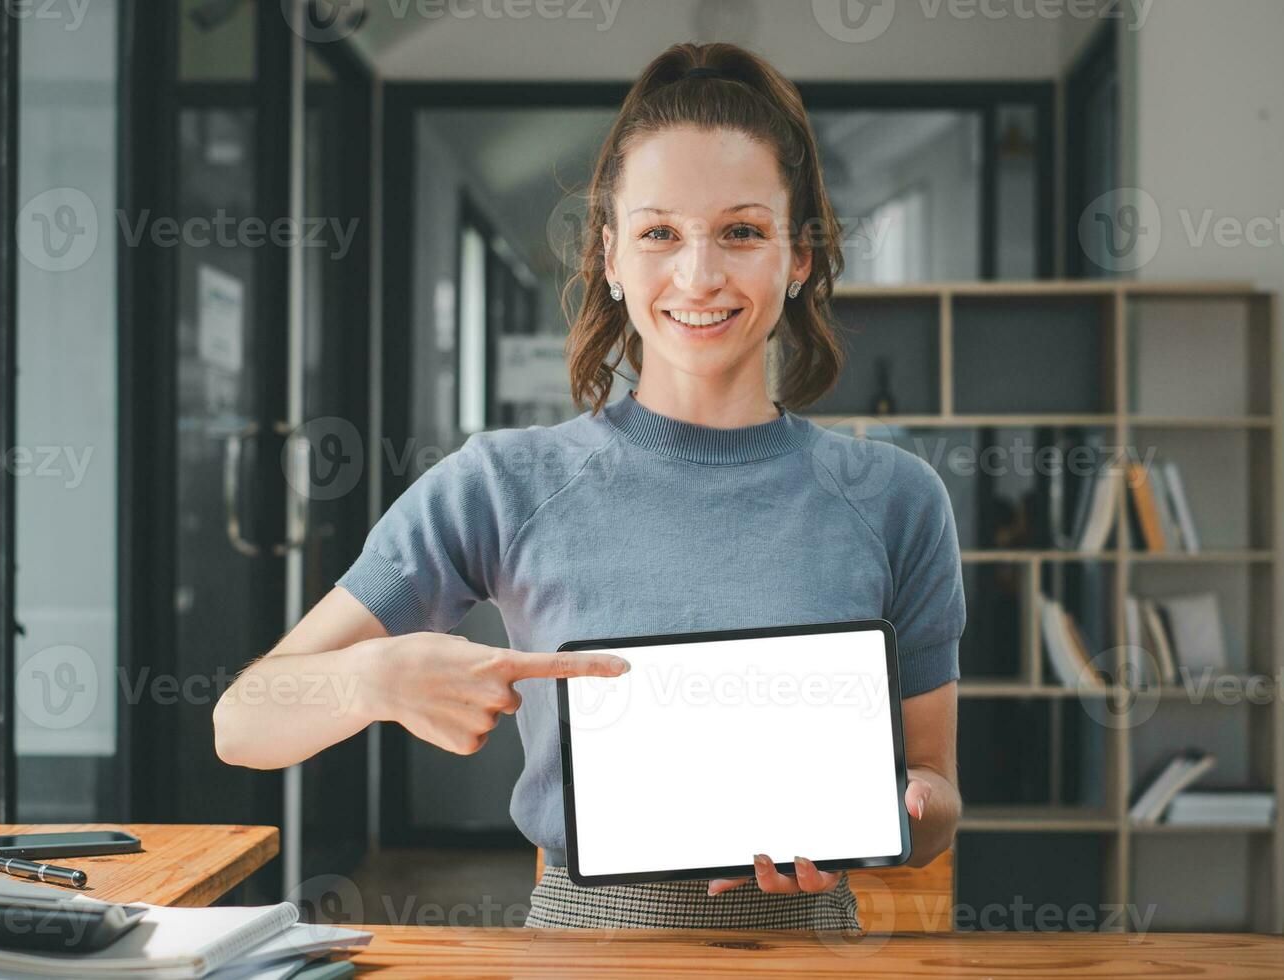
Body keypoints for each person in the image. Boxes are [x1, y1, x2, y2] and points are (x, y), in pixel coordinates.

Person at [213, 40, 965, 932]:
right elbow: (241, 722)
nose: (699, 275)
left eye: (742, 231)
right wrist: (373, 680)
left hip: (812, 948)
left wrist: (894, 817)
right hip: (581, 946)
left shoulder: (896, 498)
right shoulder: (503, 482)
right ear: (609, 255)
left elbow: (936, 795)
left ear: (798, 257)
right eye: (658, 233)